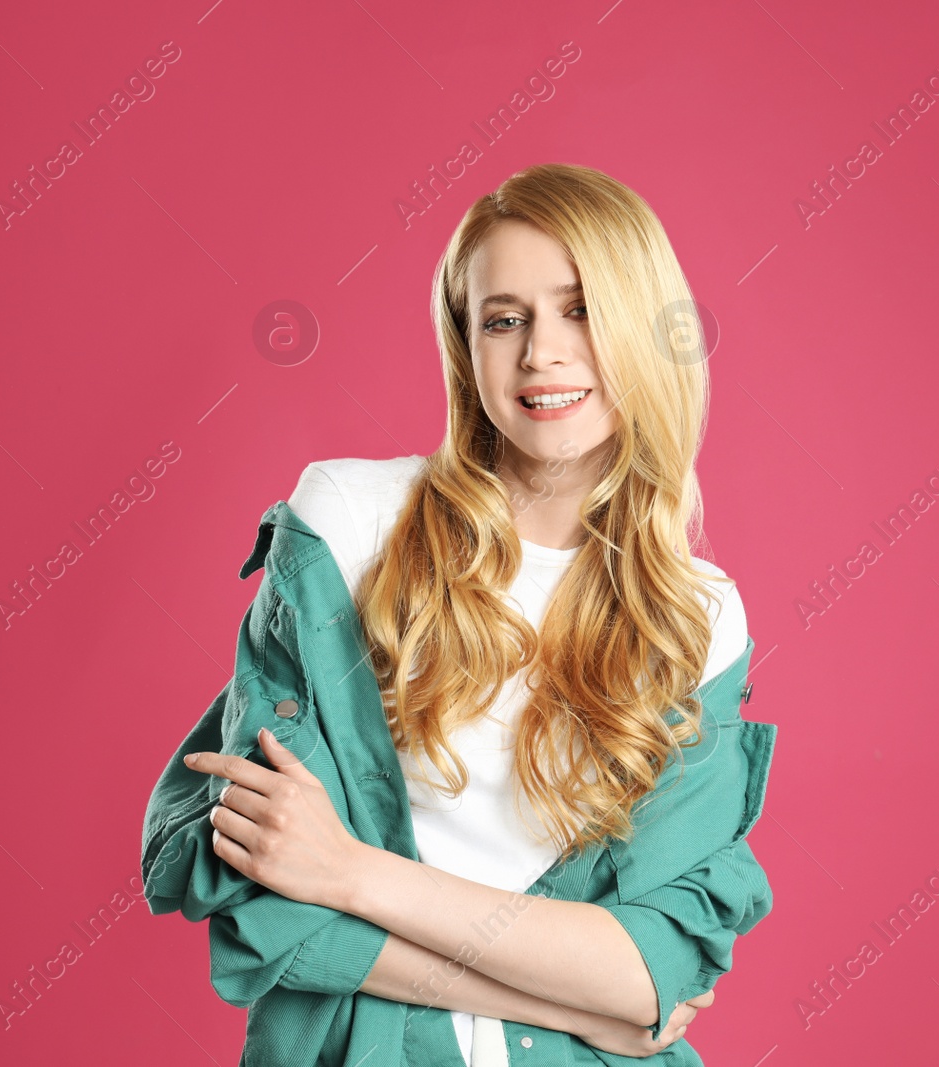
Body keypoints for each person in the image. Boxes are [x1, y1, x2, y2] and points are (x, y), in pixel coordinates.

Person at [143, 162, 777, 1066]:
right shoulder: (352, 524)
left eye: (581, 308)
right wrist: (582, 1003)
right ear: (465, 345)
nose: (541, 353)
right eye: (504, 319)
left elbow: (652, 969)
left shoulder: (699, 617)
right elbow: (272, 903)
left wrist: (355, 875)